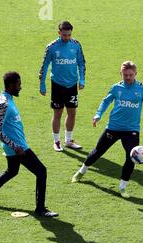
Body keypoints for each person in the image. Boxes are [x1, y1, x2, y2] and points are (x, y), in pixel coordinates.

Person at [0, 72, 58, 217]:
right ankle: (40, 209)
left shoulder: (8, 98)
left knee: (12, 171)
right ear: (11, 85)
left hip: (17, 145)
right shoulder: (4, 104)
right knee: (41, 171)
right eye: (18, 85)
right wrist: (15, 146)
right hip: (18, 148)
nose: (20, 87)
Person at [71, 61, 143, 198]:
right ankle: (81, 171)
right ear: (120, 73)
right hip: (113, 127)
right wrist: (98, 115)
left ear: (135, 74)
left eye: (130, 75)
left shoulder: (142, 89)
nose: (128, 77)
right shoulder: (116, 88)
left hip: (131, 130)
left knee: (131, 158)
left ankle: (123, 187)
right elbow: (106, 101)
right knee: (98, 151)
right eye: (125, 75)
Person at [39, 21, 86, 152]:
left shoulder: (76, 45)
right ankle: (56, 141)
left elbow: (81, 63)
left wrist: (82, 80)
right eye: (64, 35)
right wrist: (42, 85)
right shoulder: (52, 47)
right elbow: (44, 66)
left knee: (72, 112)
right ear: (59, 33)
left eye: (69, 35)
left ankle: (69, 140)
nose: (67, 37)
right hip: (58, 85)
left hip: (72, 85)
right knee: (58, 113)